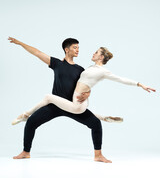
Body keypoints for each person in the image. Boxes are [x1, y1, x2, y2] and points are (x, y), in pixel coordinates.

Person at [8, 37, 115, 163]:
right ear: (66, 49)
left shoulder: (81, 70)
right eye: (75, 47)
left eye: (78, 48)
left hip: (72, 106)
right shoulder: (57, 64)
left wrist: (88, 93)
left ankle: (98, 155)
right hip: (55, 105)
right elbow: (37, 52)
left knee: (96, 124)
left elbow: (87, 85)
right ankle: (26, 152)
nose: (77, 50)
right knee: (31, 122)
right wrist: (20, 43)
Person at [11, 45, 155, 124]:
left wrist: (140, 84)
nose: (93, 53)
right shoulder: (90, 68)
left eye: (96, 52)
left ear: (102, 57)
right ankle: (103, 118)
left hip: (78, 103)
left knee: (48, 97)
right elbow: (83, 82)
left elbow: (121, 79)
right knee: (72, 108)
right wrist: (88, 93)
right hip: (80, 100)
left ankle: (25, 115)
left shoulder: (103, 71)